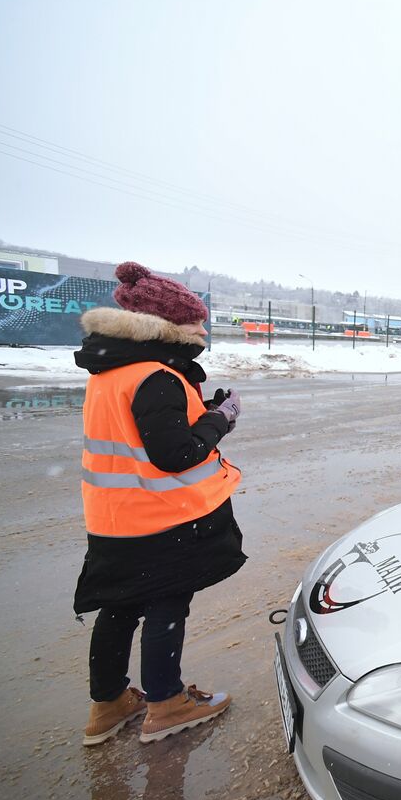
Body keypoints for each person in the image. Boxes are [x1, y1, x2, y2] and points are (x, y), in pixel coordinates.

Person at [75, 262, 243, 746]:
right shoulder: (156, 376)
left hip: (113, 516)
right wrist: (222, 419)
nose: (203, 331)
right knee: (167, 602)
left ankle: (107, 704)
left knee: (119, 606)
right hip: (162, 516)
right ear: (167, 328)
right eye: (196, 323)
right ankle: (166, 702)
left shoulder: (110, 372)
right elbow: (176, 453)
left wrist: (202, 412)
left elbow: (138, 438)